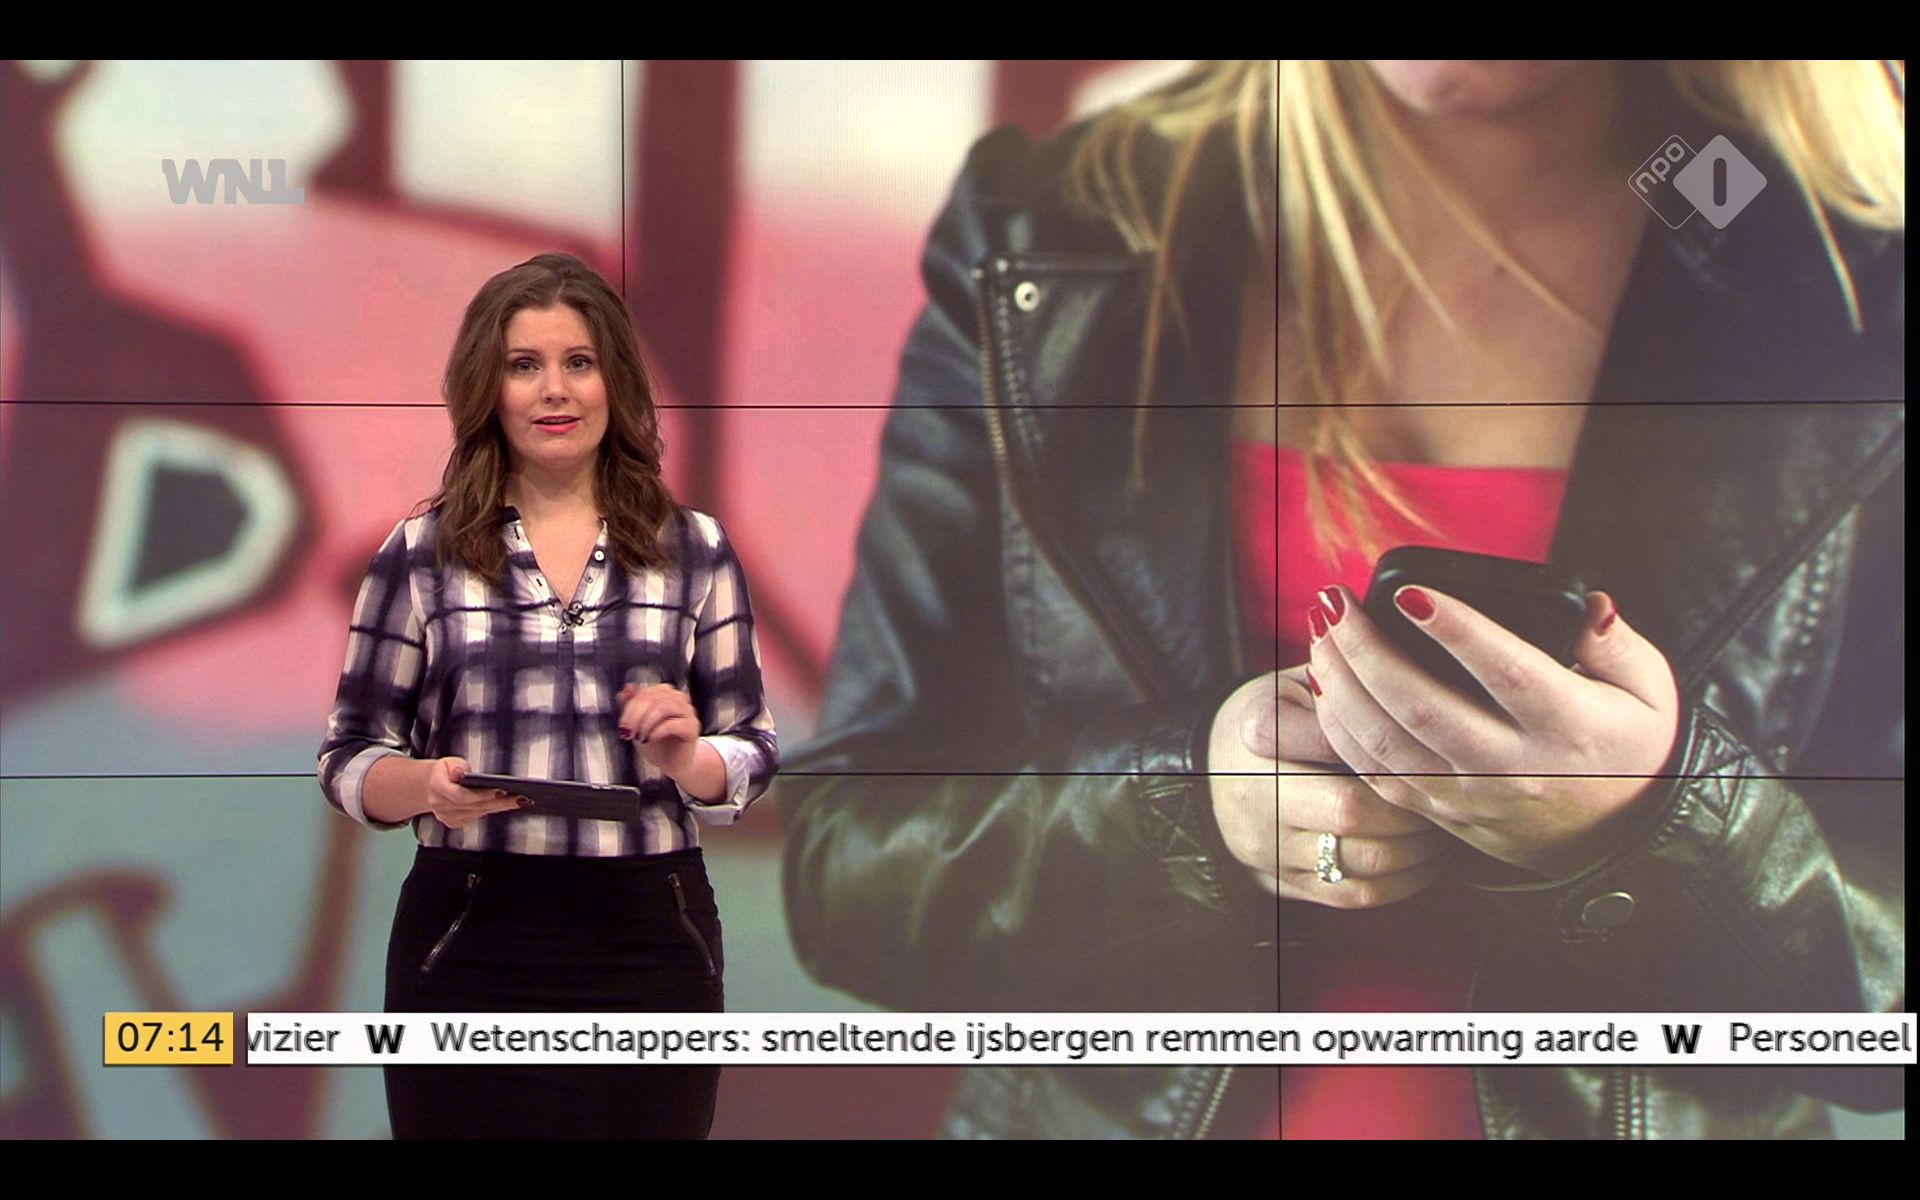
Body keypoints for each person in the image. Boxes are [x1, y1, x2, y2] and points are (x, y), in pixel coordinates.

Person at [780, 60, 1904, 1138]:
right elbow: (847, 879)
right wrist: (1191, 812)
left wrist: (1656, 820)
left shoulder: (1843, 271)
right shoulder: (1055, 227)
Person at [318, 251, 777, 1139]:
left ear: (616, 382)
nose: (554, 390)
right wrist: (428, 787)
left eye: (579, 362)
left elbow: (752, 748)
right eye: (524, 365)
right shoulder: (421, 553)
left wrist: (687, 758)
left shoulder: (694, 550)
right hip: (469, 930)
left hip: (650, 933)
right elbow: (349, 755)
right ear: (487, 389)